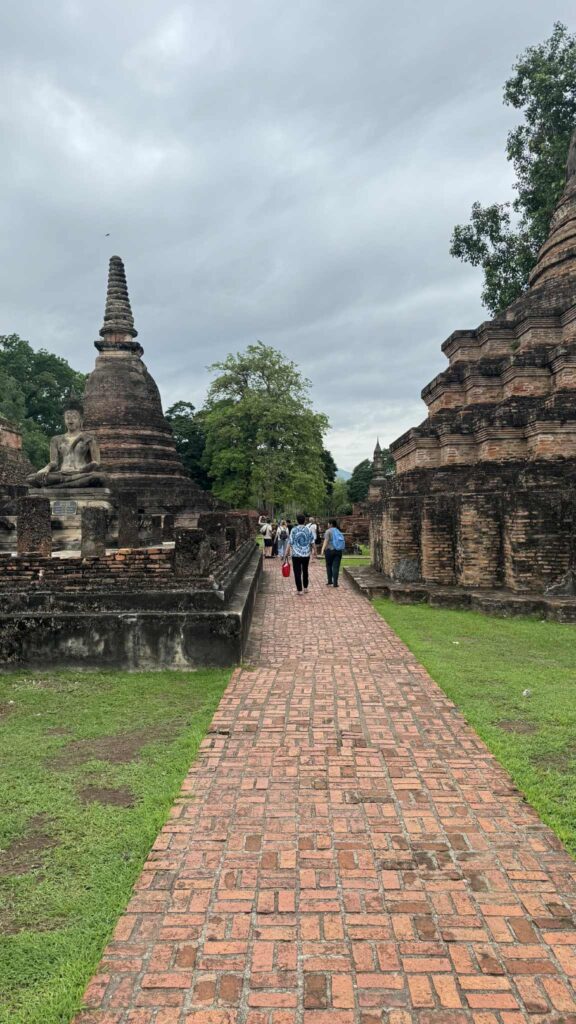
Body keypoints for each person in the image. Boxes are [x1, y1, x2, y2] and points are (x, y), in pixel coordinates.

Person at [284, 513, 315, 594]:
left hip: (296, 555)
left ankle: (299, 590)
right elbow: (312, 542)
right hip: (306, 554)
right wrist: (315, 551)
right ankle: (305, 588)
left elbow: (290, 542)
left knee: (297, 572)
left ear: (297, 521)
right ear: (304, 521)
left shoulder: (293, 530)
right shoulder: (308, 529)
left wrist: (286, 552)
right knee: (305, 570)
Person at [321, 518, 345, 588]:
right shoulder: (338, 531)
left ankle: (329, 581)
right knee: (336, 567)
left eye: (328, 523)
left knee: (329, 565)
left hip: (329, 551)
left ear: (331, 524)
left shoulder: (328, 531)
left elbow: (326, 541)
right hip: (338, 551)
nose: (327, 524)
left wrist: (322, 549)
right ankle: (335, 583)